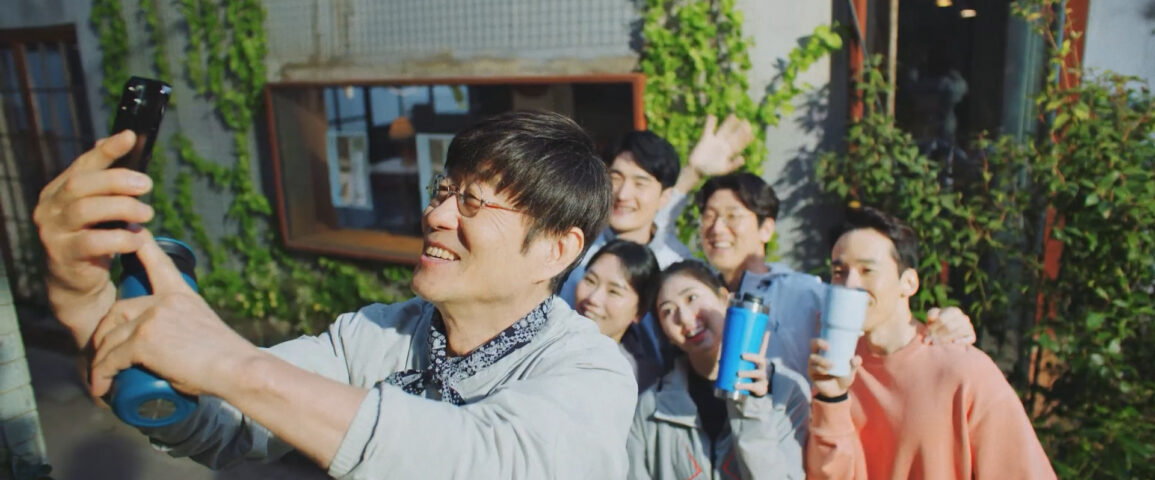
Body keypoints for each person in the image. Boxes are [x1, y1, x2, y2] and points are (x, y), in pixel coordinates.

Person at [33, 110, 637, 478]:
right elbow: (221, 423)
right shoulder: (373, 335)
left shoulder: (592, 371)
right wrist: (83, 296)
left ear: (556, 249)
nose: (437, 215)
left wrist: (229, 361)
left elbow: (487, 463)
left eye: (473, 202)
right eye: (443, 190)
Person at [806, 206, 1056, 479]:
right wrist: (832, 398)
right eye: (839, 271)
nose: (850, 284)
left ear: (909, 283)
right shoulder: (835, 368)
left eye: (867, 270)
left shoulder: (965, 371)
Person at [694, 173, 978, 381]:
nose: (717, 228)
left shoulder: (803, 292)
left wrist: (949, 321)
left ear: (766, 229)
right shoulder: (694, 293)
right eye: (708, 216)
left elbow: (876, 310)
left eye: (732, 216)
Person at [561, 115, 755, 364]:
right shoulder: (572, 246)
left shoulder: (675, 264)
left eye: (640, 183)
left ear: (664, 197)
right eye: (615, 178)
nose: (623, 194)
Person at [627, 260, 809, 480]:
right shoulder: (650, 408)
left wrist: (751, 411)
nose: (684, 318)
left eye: (691, 298)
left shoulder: (785, 391)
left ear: (725, 299)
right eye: (668, 311)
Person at [572, 238, 665, 392]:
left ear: (640, 312)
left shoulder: (633, 380)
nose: (593, 298)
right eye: (590, 280)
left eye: (614, 292)